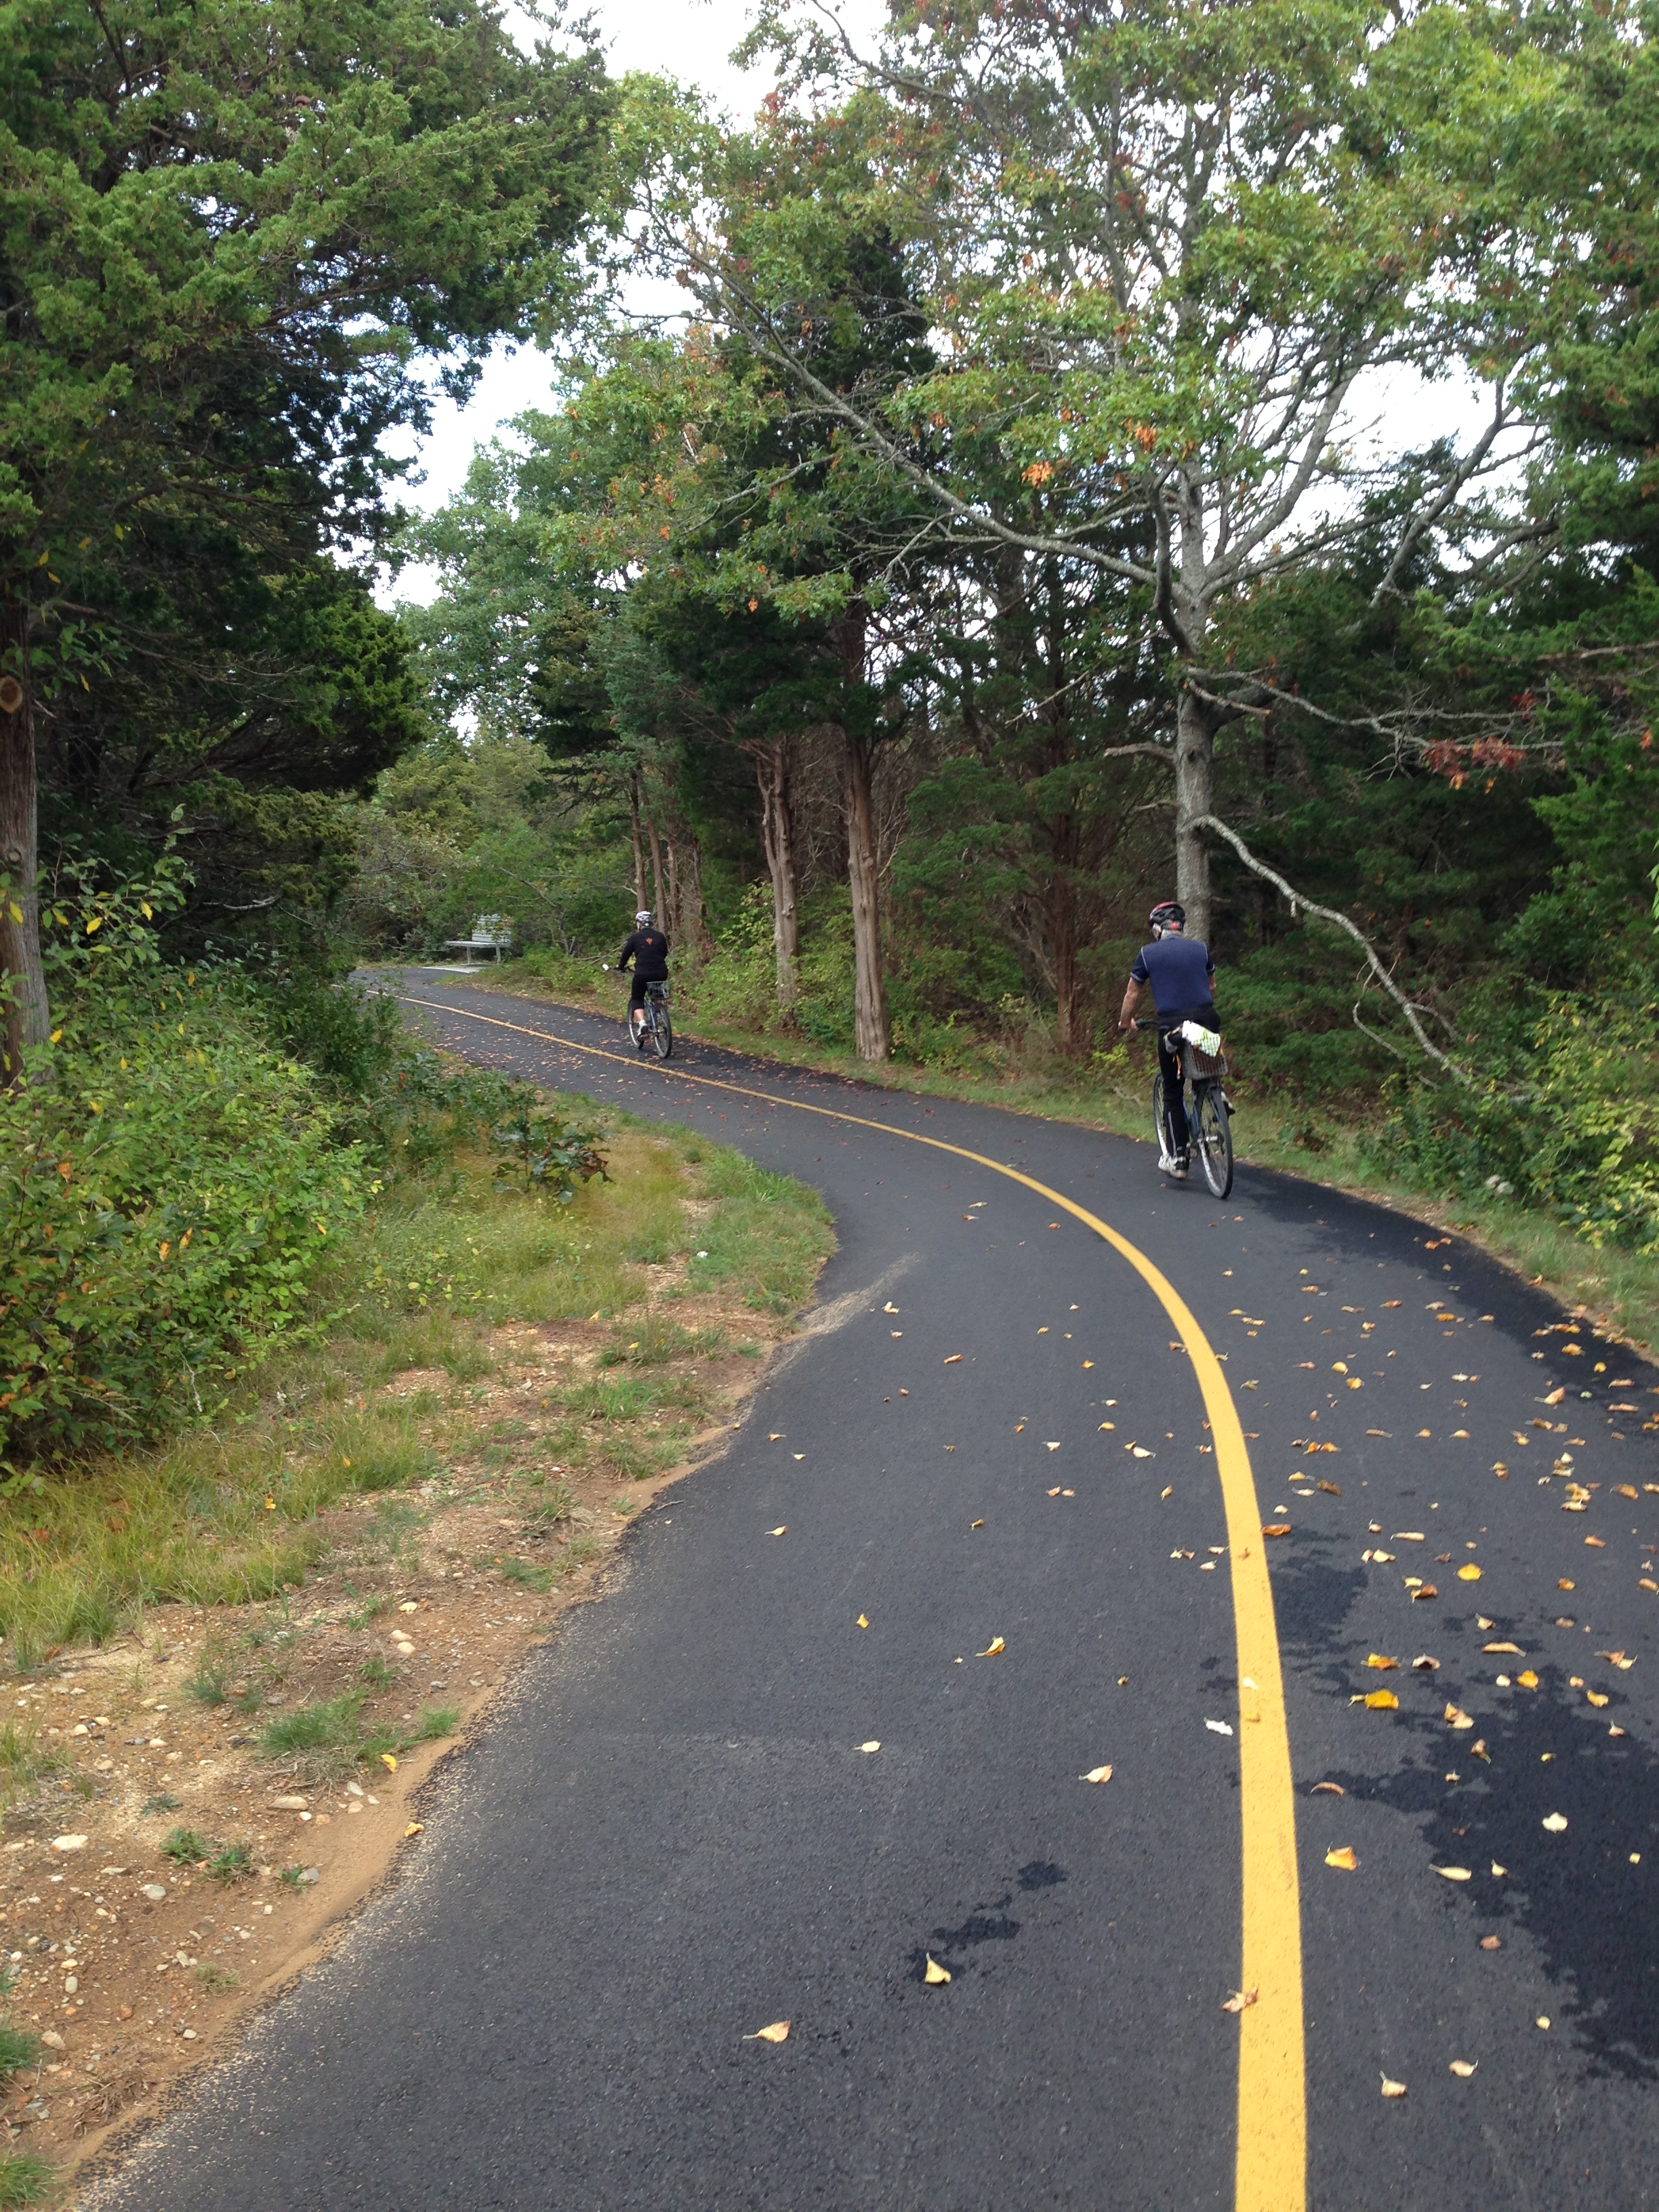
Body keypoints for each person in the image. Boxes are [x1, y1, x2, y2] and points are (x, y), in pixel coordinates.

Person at [1118, 900, 1218, 1180]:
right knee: (1206, 1068)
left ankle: (1178, 1160)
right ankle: (1216, 1093)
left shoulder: (1148, 954)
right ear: (1181, 928)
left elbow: (1132, 995)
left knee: (1173, 1091)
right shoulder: (1201, 949)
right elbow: (1211, 987)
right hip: (1206, 1020)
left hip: (1172, 1026)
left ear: (1158, 929)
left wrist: (1126, 1022)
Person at [615, 908, 670, 1044]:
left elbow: (626, 955)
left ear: (639, 924)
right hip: (661, 972)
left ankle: (642, 1024)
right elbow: (664, 953)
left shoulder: (635, 938)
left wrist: (621, 966)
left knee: (637, 998)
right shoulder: (660, 936)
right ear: (651, 923)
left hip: (642, 973)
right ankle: (659, 1014)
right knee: (657, 994)